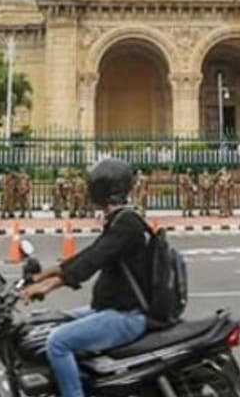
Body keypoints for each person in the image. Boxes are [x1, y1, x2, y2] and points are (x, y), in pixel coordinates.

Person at [19, 159, 149, 397]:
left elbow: (92, 262)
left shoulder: (127, 223)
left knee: (58, 343)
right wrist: (41, 276)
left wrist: (46, 287)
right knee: (57, 321)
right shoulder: (121, 219)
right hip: (112, 308)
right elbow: (87, 255)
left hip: (127, 315)